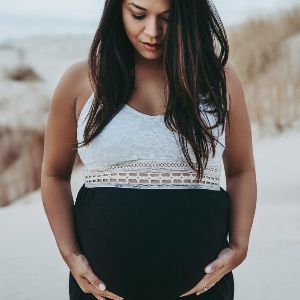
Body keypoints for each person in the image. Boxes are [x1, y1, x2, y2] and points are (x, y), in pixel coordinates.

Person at [41, 0, 257, 299]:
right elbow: (54, 175)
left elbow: (241, 169)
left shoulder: (218, 79)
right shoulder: (81, 80)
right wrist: (70, 254)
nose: (152, 31)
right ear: (117, 10)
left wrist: (240, 246)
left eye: (167, 18)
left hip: (202, 291)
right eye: (138, 14)